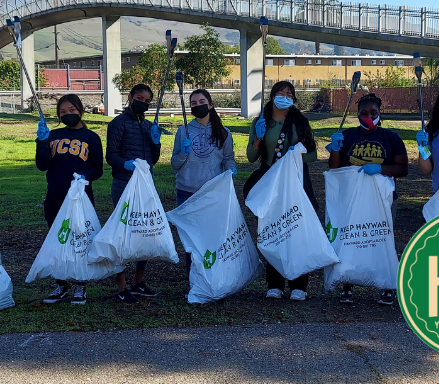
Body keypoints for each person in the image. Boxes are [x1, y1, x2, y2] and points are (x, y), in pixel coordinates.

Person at [328, 93, 408, 305]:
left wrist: (380, 168)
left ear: (380, 114)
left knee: (382, 239)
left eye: (373, 113)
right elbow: (335, 168)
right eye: (364, 113)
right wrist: (335, 149)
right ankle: (347, 282)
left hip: (383, 199)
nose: (369, 116)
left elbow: (402, 168)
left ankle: (388, 285)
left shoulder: (391, 138)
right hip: (352, 198)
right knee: (352, 238)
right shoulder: (347, 136)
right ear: (357, 114)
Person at [244, 80, 319, 302]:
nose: (285, 96)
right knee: (273, 230)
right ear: (272, 95)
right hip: (270, 182)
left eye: (289, 93)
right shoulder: (261, 121)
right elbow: (250, 157)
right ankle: (274, 283)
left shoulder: (300, 122)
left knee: (296, 230)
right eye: (281, 92)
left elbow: (313, 156)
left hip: (296, 182)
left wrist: (296, 155)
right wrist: (258, 138)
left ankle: (299, 284)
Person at [33, 94, 104, 305]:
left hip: (79, 197)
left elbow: (97, 169)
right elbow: (42, 165)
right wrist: (41, 142)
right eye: (63, 112)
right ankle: (61, 284)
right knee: (57, 240)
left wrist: (84, 175)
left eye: (71, 111)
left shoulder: (91, 138)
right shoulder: (53, 135)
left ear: (80, 110)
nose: (67, 115)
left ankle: (80, 285)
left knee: (79, 239)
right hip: (55, 194)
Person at [170, 89, 236, 290]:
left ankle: (213, 278)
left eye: (201, 101)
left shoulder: (223, 133)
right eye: (193, 102)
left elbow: (228, 158)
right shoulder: (183, 131)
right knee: (191, 241)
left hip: (212, 194)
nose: (197, 105)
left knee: (211, 238)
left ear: (210, 104)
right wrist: (182, 153)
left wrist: (231, 169)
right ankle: (194, 282)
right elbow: (174, 164)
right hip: (187, 192)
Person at [106, 84, 161, 304]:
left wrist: (156, 142)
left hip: (145, 187)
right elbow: (111, 156)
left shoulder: (149, 126)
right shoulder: (118, 124)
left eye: (148, 101)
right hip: (123, 184)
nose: (143, 103)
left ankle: (138, 283)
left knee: (144, 232)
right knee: (122, 233)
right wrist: (126, 165)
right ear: (130, 97)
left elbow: (153, 159)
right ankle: (121, 286)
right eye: (140, 98)